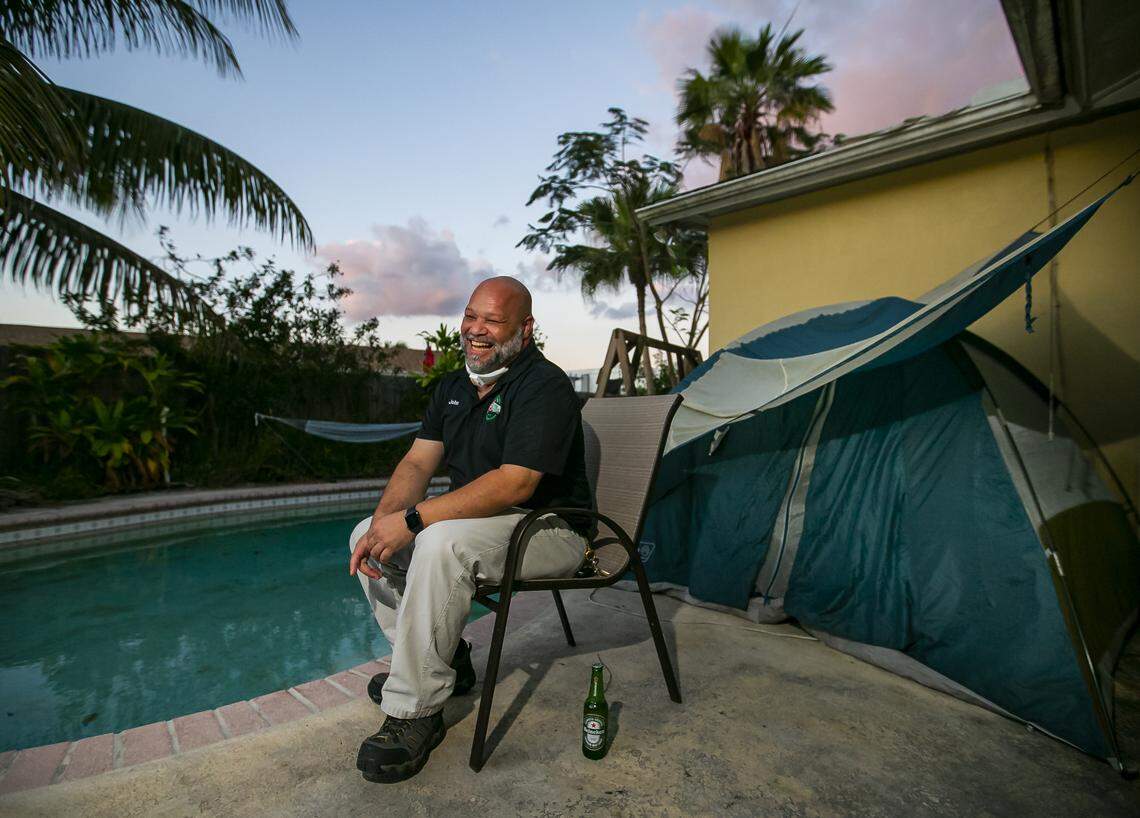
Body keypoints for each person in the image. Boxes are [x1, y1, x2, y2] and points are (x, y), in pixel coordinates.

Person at [347, 276, 594, 783]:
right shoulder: (454, 386)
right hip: (485, 528)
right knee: (363, 536)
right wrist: (384, 521)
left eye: (493, 321)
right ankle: (446, 662)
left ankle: (414, 713)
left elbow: (515, 484)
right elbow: (418, 462)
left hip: (550, 531)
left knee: (438, 540)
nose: (476, 331)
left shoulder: (543, 386)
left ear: (525, 329)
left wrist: (414, 520)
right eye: (470, 317)